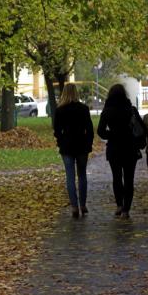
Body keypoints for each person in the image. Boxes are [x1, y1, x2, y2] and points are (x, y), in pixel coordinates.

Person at [97, 84, 145, 219]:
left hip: (114, 148)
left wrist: (111, 135)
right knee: (129, 179)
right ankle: (126, 209)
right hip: (130, 147)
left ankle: (119, 204)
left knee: (116, 177)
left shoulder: (107, 111)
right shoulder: (131, 109)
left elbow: (100, 131)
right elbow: (141, 128)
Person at [54, 83, 94, 219]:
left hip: (67, 146)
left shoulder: (60, 110)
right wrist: (89, 143)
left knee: (70, 176)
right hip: (82, 145)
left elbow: (57, 131)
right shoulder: (83, 109)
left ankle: (74, 206)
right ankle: (83, 204)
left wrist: (60, 142)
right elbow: (89, 129)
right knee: (82, 175)